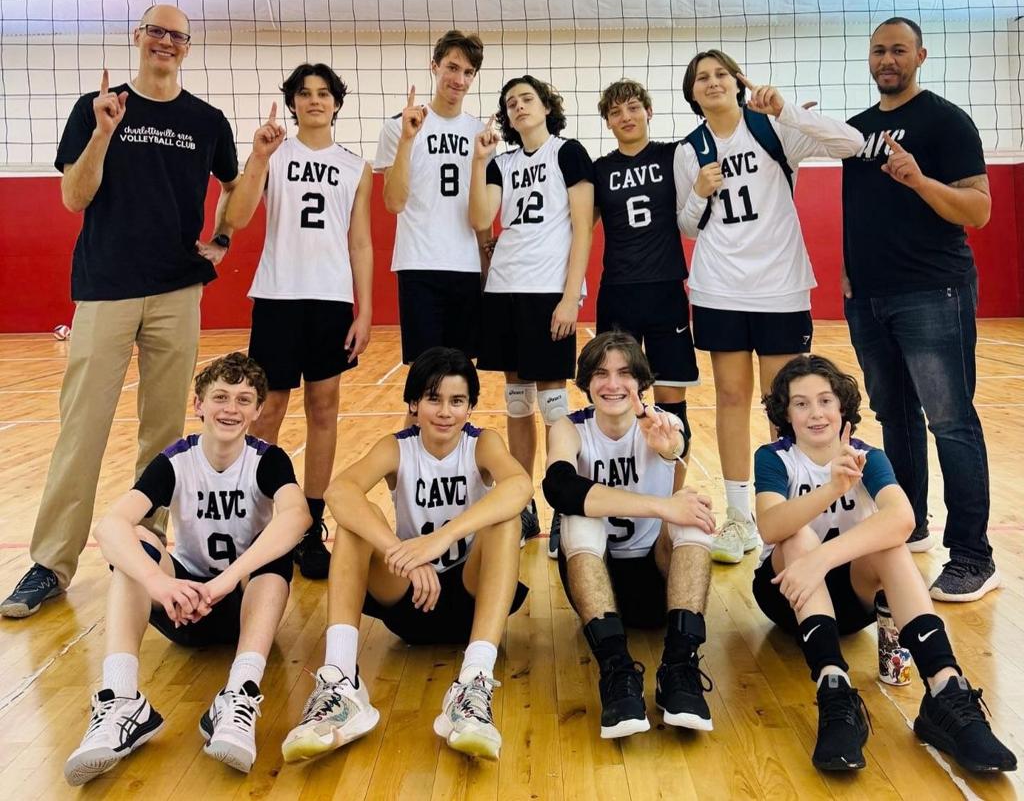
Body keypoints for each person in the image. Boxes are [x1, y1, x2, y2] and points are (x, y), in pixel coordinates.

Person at [1, 4, 240, 618]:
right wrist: (104, 132)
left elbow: (236, 184)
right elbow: (73, 196)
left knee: (164, 434)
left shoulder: (207, 120)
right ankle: (51, 562)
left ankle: (147, 546)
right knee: (82, 429)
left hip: (176, 290)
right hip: (105, 286)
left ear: (187, 47)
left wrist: (221, 238)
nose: (165, 42)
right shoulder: (96, 107)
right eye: (155, 31)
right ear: (138, 38)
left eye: (176, 35)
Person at [752, 354, 1015, 773]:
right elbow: (769, 527)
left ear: (842, 406)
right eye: (801, 403)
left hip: (849, 597)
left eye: (825, 400)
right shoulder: (774, 456)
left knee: (890, 544)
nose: (815, 413)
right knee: (796, 535)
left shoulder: (867, 456)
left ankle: (946, 689)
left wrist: (822, 559)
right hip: (787, 592)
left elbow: (904, 519)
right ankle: (834, 690)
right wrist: (832, 489)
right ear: (786, 413)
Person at [62, 354, 311, 785]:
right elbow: (110, 526)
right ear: (198, 404)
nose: (231, 408)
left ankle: (240, 693)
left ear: (257, 411)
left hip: (243, 604)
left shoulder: (267, 460)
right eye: (220, 397)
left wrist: (224, 581)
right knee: (136, 542)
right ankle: (121, 696)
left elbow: (298, 516)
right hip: (182, 604)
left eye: (243, 399)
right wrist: (160, 583)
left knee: (273, 550)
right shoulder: (176, 460)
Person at [281, 347, 531, 763]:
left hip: (472, 598)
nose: (445, 412)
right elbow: (339, 492)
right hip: (410, 596)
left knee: (505, 519)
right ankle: (341, 682)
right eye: (434, 399)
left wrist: (441, 540)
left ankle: (474, 680)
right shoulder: (397, 447)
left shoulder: (482, 443)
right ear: (414, 403)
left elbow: (520, 486)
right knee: (358, 520)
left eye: (457, 401)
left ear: (471, 406)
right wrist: (402, 553)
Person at [676, 49, 863, 565]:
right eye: (701, 78)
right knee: (732, 398)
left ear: (738, 82)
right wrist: (699, 192)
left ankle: (785, 514)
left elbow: (851, 142)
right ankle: (740, 518)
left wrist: (787, 111)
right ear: (692, 93)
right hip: (718, 288)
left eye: (721, 73)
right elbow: (687, 226)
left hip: (780, 287)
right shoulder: (689, 150)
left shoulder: (772, 127)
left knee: (783, 403)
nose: (712, 82)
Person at [842, 17, 997, 600]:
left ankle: (974, 556)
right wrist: (848, 272)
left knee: (950, 422)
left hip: (933, 292)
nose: (888, 59)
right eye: (879, 50)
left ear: (920, 56)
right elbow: (861, 210)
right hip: (869, 298)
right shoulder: (857, 131)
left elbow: (978, 210)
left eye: (899, 50)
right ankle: (910, 525)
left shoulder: (946, 121)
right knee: (895, 417)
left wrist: (920, 181)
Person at [225, 63, 373, 580]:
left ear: (336, 103)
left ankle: (310, 523)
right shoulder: (275, 154)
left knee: (324, 409)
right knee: (267, 411)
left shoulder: (355, 166)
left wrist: (365, 310)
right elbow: (237, 216)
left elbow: (360, 241)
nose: (315, 100)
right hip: (278, 296)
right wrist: (258, 158)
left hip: (331, 301)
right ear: (292, 103)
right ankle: (260, 517)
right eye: (305, 93)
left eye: (324, 93)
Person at [543, 331, 716, 739]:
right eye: (601, 374)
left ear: (641, 381)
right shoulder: (569, 428)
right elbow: (559, 488)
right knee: (577, 518)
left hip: (658, 578)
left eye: (624, 373)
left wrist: (670, 448)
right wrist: (659, 505)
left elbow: (676, 445)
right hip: (597, 580)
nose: (613, 384)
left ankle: (679, 667)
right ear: (586, 382)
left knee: (692, 508)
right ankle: (617, 671)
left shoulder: (662, 422)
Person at [469, 75, 595, 545]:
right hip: (504, 288)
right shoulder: (500, 163)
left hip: (547, 291)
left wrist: (570, 296)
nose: (518, 106)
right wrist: (479, 161)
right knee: (517, 403)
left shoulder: (567, 152)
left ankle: (563, 504)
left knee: (554, 405)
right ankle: (522, 506)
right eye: (510, 103)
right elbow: (481, 218)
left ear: (546, 106)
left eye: (527, 99)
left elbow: (583, 228)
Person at [582, 78, 700, 562]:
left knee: (672, 402)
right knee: (613, 401)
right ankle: (606, 503)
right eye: (615, 112)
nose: (625, 117)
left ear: (648, 111)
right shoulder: (599, 169)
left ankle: (675, 504)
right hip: (618, 292)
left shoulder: (673, 156)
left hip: (666, 289)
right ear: (607, 122)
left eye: (632, 107)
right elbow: (575, 227)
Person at [373, 30, 486, 370]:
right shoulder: (399, 127)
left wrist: (487, 269)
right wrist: (407, 140)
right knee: (424, 375)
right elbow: (393, 203)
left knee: (461, 374)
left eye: (468, 72)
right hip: (418, 264)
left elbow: (482, 213)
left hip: (466, 265)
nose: (459, 79)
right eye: (452, 67)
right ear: (434, 66)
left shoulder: (479, 133)